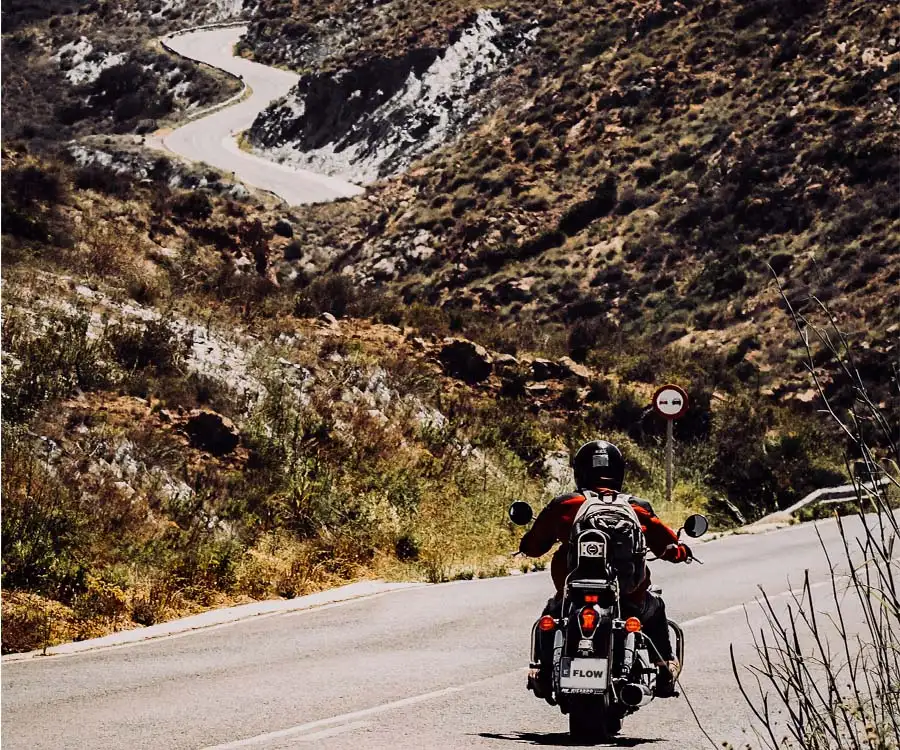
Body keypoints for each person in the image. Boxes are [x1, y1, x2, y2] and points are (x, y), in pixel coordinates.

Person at [519, 439, 691, 699]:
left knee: (551, 615)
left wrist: (533, 542)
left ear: (579, 471)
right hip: (628, 598)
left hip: (572, 596)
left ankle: (542, 671)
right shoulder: (637, 508)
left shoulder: (566, 504)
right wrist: (681, 552)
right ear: (619, 472)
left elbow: (532, 547)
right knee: (655, 607)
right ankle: (664, 668)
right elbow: (668, 546)